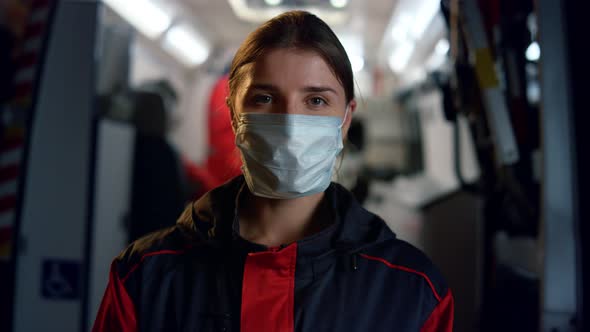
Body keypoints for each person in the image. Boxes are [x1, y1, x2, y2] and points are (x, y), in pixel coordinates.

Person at [92, 10, 454, 332]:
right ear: (234, 115)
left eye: (316, 101)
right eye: (264, 98)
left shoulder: (413, 290)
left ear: (345, 119)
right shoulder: (145, 276)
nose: (290, 123)